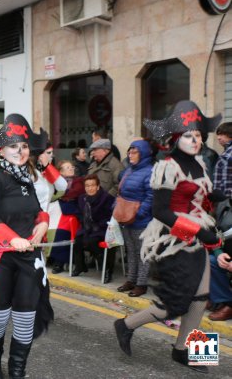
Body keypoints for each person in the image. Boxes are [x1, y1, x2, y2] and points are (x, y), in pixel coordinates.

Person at [114, 101, 223, 373]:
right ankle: (126, 324)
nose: (195, 139)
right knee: (176, 302)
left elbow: (202, 195)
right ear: (176, 138)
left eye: (198, 134)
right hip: (173, 239)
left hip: (197, 237)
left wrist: (221, 196)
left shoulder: (198, 163)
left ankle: (185, 351)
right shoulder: (168, 165)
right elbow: (161, 211)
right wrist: (198, 230)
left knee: (201, 299)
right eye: (188, 135)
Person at [0, 113, 53, 379]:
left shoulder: (26, 176)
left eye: (24, 146)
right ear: (1, 151)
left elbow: (37, 210)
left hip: (29, 257)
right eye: (14, 146)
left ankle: (17, 371)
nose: (20, 151)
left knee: (25, 318)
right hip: (1, 258)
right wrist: (11, 238)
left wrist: (42, 224)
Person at [116, 140, 154, 297]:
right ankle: (131, 279)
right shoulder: (128, 170)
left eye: (134, 152)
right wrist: (117, 210)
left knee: (142, 253)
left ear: (143, 153)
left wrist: (138, 214)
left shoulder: (150, 171)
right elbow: (121, 192)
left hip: (141, 220)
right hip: (126, 218)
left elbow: (151, 197)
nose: (130, 155)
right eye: (129, 152)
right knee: (130, 251)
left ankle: (141, 283)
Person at [208, 121, 232, 321]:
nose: (219, 139)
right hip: (224, 206)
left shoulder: (227, 156)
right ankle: (220, 299)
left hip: (223, 201)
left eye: (221, 135)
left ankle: (225, 302)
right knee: (212, 258)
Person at [72, 174, 116, 282]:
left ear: (97, 186)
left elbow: (110, 217)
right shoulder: (82, 198)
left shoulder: (106, 198)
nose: (89, 188)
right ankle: (80, 266)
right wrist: (85, 224)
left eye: (92, 185)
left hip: (102, 229)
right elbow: (79, 214)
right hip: (87, 228)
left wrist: (95, 226)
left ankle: (106, 269)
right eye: (87, 186)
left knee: (92, 241)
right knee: (77, 241)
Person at [49, 160, 85, 274]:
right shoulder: (54, 183)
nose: (71, 168)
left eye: (72, 167)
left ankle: (59, 262)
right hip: (56, 211)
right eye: (68, 167)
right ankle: (51, 257)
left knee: (61, 232)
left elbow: (75, 192)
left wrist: (61, 195)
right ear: (61, 172)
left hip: (71, 213)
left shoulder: (78, 181)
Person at [32, 143, 67, 212]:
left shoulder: (48, 170)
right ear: (39, 155)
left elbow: (63, 186)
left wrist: (47, 167)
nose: (52, 155)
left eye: (52, 152)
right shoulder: (30, 172)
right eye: (48, 152)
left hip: (45, 217)